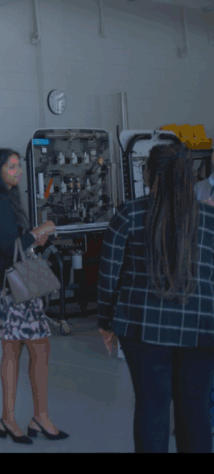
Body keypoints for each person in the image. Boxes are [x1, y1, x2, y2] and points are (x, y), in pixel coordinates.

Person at [98, 142, 214, 452]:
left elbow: (109, 273)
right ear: (189, 175)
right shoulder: (209, 218)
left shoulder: (129, 214)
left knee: (152, 404)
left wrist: (105, 321)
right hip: (201, 328)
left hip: (141, 326)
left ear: (148, 173)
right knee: (196, 407)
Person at [0, 148, 62, 444]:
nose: (18, 171)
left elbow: (13, 244)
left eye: (18, 166)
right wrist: (38, 231)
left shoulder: (2, 198)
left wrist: (33, 238)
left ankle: (16, 418)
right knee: (35, 348)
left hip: (11, 285)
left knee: (18, 350)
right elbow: (11, 247)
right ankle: (30, 417)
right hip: (12, 287)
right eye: (11, 167)